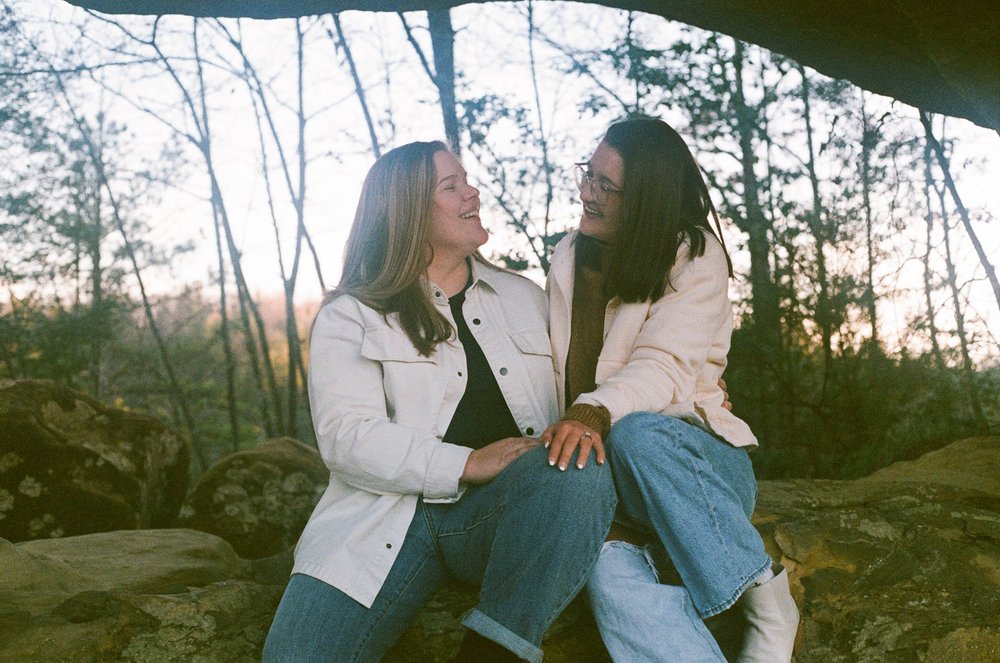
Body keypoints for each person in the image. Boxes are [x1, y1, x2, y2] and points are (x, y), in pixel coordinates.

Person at [263, 141, 616, 663]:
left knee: (579, 467)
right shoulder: (351, 316)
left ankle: (494, 651)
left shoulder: (525, 299)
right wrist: (467, 462)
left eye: (466, 181)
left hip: (505, 515)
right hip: (384, 523)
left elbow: (604, 373)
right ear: (406, 211)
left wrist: (695, 384)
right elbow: (346, 437)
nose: (472, 192)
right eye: (452, 186)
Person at [541, 117, 799, 663]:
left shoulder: (694, 255)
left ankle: (769, 604)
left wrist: (592, 408)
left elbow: (662, 367)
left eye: (605, 186)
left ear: (646, 201)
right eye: (589, 174)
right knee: (606, 574)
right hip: (607, 478)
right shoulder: (568, 256)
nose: (587, 191)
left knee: (635, 434)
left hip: (692, 468)